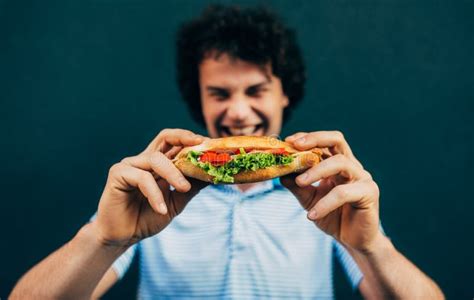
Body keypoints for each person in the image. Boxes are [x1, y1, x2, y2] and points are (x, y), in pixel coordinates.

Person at [11, 5, 444, 299]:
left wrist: (373, 249)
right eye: (219, 93)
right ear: (197, 99)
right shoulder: (157, 189)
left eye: (256, 90)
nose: (238, 113)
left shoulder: (328, 191)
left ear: (284, 96)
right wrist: (103, 238)